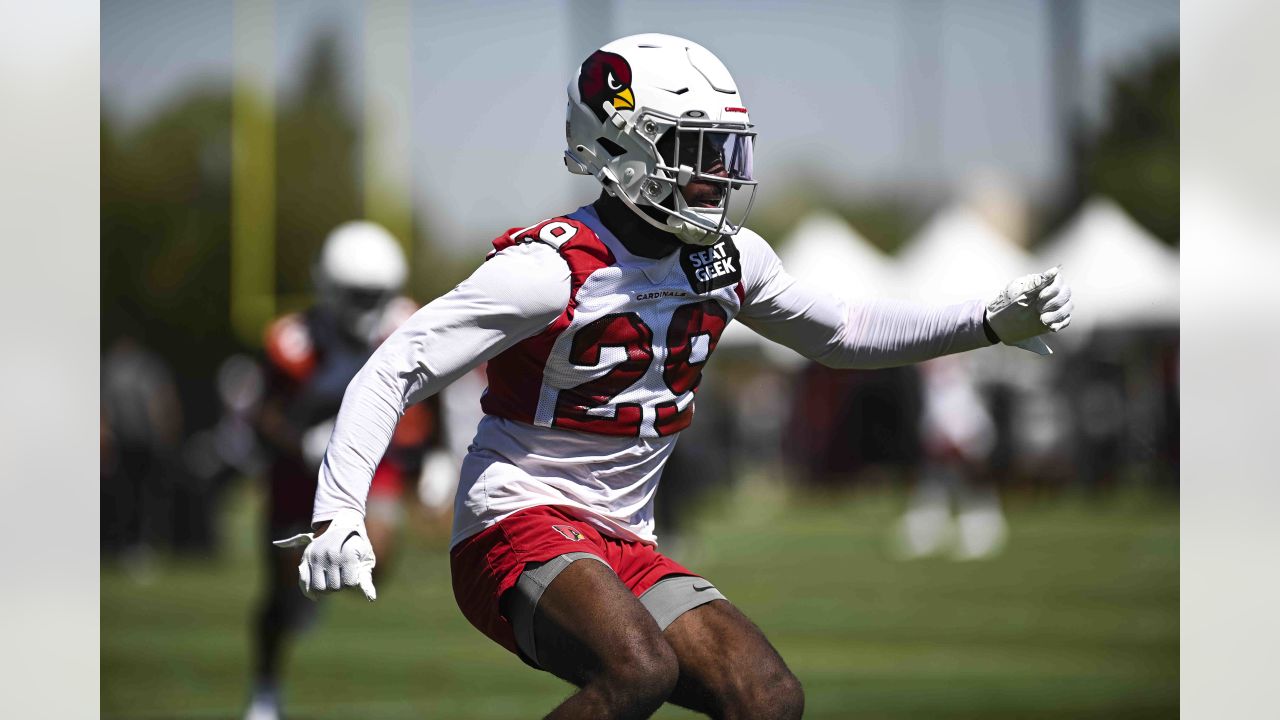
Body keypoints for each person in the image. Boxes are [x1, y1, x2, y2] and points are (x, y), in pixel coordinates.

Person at [277, 34, 1074, 720]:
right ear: (618, 149)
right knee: (637, 671)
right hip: (515, 521)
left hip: (626, 537)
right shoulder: (548, 268)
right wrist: (340, 507)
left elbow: (844, 332)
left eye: (722, 153)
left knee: (767, 696)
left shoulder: (726, 258)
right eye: (693, 153)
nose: (716, 176)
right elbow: (393, 369)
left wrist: (987, 323)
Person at [245, 221, 438, 720]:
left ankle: (314, 591)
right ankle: (266, 689)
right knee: (282, 591)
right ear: (329, 288)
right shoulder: (292, 341)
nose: (369, 305)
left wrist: (436, 456)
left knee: (379, 556)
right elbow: (262, 416)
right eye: (358, 294)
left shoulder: (407, 327)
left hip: (374, 464)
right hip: (297, 473)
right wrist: (300, 443)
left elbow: (434, 398)